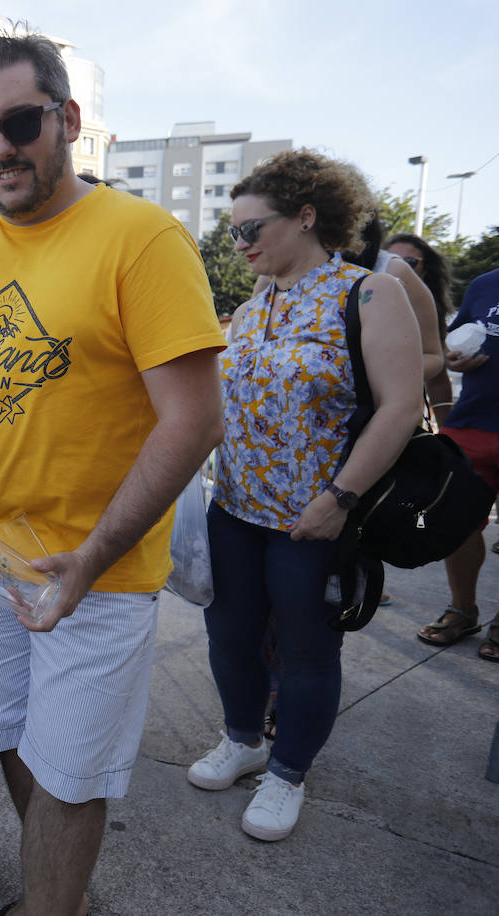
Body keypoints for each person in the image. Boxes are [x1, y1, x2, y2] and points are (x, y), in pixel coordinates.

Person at [0, 30, 226, 916]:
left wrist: (91, 558)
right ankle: (60, 901)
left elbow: (194, 419)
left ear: (69, 119)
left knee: (71, 773)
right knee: (13, 743)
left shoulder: (142, 239)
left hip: (96, 573)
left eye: (18, 122)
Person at [189, 149, 422, 843]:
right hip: (233, 509)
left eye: (251, 228)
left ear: (308, 216)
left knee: (307, 651)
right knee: (228, 637)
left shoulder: (368, 294)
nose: (241, 243)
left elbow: (401, 406)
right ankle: (243, 739)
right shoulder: (255, 303)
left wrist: (341, 498)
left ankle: (288, 771)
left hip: (314, 520)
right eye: (234, 231)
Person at [414, 267, 499, 662]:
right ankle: (463, 609)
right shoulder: (485, 284)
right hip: (473, 422)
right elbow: (451, 345)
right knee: (456, 521)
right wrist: (455, 359)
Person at [385, 232, 455, 424]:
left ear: (425, 270)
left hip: (399, 413)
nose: (397, 266)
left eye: (409, 261)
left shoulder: (428, 310)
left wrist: (445, 431)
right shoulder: (361, 296)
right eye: (389, 259)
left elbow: (437, 376)